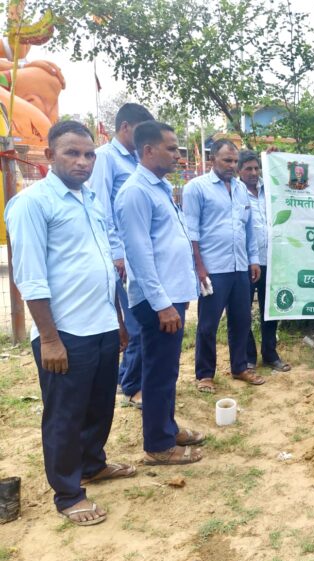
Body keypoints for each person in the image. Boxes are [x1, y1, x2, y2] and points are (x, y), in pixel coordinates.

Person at [5, 120, 132, 525]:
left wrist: (118, 318)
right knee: (65, 415)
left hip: (102, 326)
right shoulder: (33, 204)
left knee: (100, 405)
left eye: (89, 154)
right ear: (49, 156)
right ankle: (67, 491)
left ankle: (93, 464)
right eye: (72, 153)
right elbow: (30, 277)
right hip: (66, 333)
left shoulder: (90, 199)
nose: (83, 162)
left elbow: (103, 265)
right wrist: (50, 339)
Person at [115, 121, 204, 465]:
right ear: (148, 150)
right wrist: (162, 304)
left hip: (171, 297)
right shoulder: (136, 192)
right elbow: (138, 254)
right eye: (171, 148)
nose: (178, 155)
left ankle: (167, 427)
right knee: (158, 371)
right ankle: (158, 445)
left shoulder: (159, 187)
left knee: (167, 370)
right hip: (158, 302)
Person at [183, 140, 264, 391]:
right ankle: (205, 374)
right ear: (212, 159)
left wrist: (253, 260)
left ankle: (239, 367)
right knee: (208, 324)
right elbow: (191, 231)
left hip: (240, 266)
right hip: (213, 268)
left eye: (234, 161)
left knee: (241, 320)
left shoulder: (241, 189)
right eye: (226, 160)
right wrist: (199, 267)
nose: (231, 165)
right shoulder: (196, 188)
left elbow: (247, 228)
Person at [90, 103, 155, 409]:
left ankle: (128, 377)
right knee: (138, 322)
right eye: (141, 131)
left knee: (142, 318)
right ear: (126, 127)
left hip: (140, 255)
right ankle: (130, 387)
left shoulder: (135, 159)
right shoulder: (105, 158)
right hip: (122, 257)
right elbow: (101, 208)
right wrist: (117, 253)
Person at [237, 150, 292, 373]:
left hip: (272, 260)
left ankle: (270, 354)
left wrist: (275, 161)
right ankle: (248, 356)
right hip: (247, 262)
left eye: (256, 168)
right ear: (239, 170)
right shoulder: (235, 191)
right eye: (248, 168)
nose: (253, 172)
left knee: (271, 311)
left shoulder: (270, 188)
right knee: (243, 311)